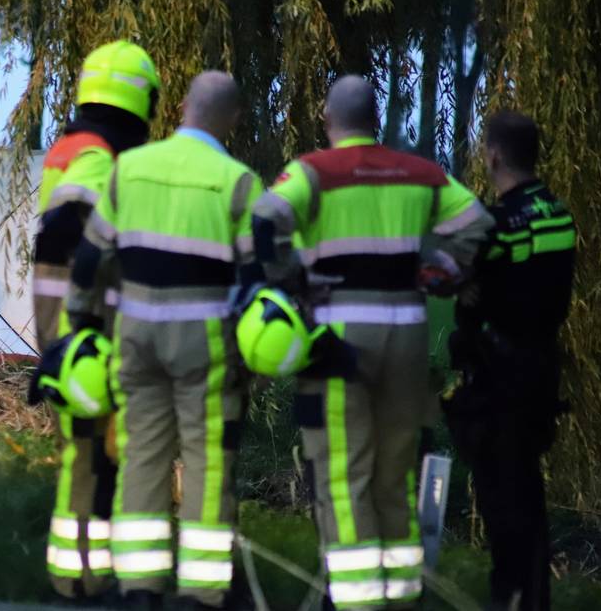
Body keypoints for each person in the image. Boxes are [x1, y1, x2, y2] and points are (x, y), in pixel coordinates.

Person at [250, 75, 494, 610]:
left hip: (339, 335)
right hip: (406, 332)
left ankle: (357, 601)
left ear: (327, 119)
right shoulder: (420, 173)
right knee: (396, 473)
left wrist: (293, 281)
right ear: (375, 119)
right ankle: (401, 596)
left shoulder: (314, 172)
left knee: (345, 472)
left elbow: (264, 220)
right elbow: (478, 223)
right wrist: (446, 270)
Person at [67, 71, 263, 610]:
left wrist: (81, 326)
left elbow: (90, 258)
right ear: (233, 119)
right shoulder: (239, 182)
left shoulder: (129, 168)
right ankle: (201, 592)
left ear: (181, 108)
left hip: (136, 336)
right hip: (205, 343)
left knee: (142, 456)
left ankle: (140, 588)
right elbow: (258, 280)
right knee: (207, 462)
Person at [33, 40, 160, 603]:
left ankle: (77, 578)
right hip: (85, 327)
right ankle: (88, 580)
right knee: (99, 456)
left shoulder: (71, 144)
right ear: (140, 101)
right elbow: (67, 223)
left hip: (63, 325)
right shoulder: (99, 154)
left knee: (83, 454)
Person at [444, 112, 575, 611]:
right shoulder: (557, 214)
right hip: (541, 369)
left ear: (494, 155)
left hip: (499, 377)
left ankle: (512, 597)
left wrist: (468, 293)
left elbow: (462, 286)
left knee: (503, 499)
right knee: (528, 492)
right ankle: (534, 597)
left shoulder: (497, 225)